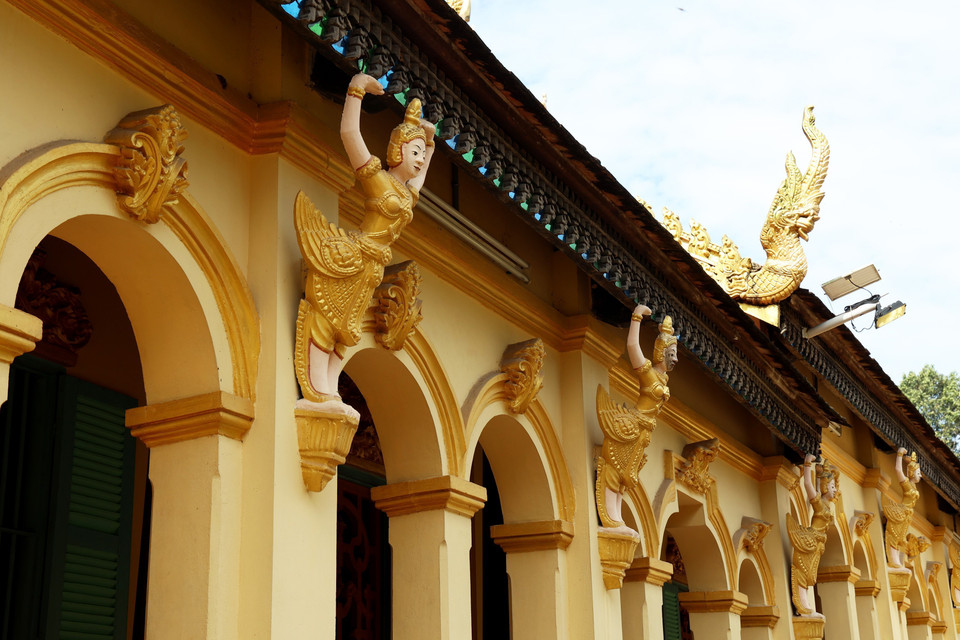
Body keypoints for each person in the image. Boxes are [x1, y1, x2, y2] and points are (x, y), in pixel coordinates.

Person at [295, 73, 435, 411]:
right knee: (329, 315)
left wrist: (429, 144)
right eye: (413, 151)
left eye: (419, 154)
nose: (417, 160)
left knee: (350, 328)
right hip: (354, 255)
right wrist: (356, 88)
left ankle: (328, 385)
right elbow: (349, 134)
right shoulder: (378, 181)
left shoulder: (406, 195)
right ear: (396, 151)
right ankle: (317, 383)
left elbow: (422, 175)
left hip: (373, 268)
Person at [595, 304, 677, 529]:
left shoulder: (662, 380)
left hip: (643, 433)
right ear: (660, 353)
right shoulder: (649, 374)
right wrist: (637, 317)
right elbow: (632, 346)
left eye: (675, 354)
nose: (674, 359)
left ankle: (617, 515)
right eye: (671, 354)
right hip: (633, 426)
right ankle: (611, 514)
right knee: (616, 468)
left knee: (628, 475)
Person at [787, 453, 837, 617]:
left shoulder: (827, 506)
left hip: (818, 544)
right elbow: (808, 484)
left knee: (811, 576)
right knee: (804, 572)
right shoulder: (819, 504)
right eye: (831, 486)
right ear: (824, 488)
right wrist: (807, 465)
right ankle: (803, 605)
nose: (835, 489)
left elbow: (814, 484)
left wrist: (819, 470)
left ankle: (806, 604)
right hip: (810, 540)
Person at [883, 448, 920, 571]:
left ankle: (897, 559)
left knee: (901, 538)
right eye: (918, 472)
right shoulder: (907, 484)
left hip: (907, 515)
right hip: (902, 512)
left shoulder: (913, 486)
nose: (920, 475)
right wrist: (899, 455)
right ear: (911, 473)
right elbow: (898, 470)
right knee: (895, 534)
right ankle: (893, 559)